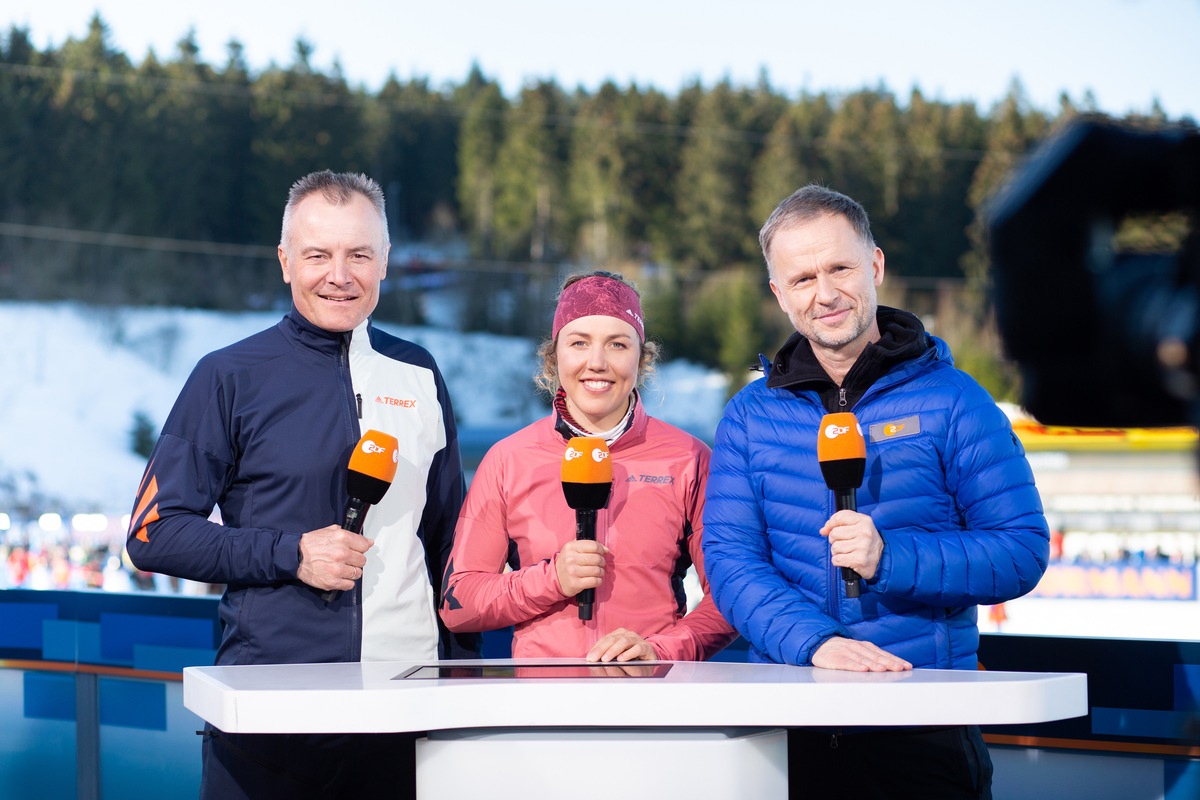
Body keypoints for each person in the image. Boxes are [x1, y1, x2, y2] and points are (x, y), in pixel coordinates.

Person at [126, 170, 477, 800]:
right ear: (286, 262)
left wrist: (463, 679)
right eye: (318, 254)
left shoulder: (420, 372)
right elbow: (153, 534)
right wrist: (290, 554)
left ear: (385, 262)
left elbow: (453, 544)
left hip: (406, 711)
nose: (339, 274)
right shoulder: (229, 376)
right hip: (271, 718)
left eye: (359, 255)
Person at [701, 185, 1050, 799]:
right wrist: (816, 644)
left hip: (922, 732)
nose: (826, 293)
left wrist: (892, 558)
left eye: (840, 267)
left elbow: (1020, 550)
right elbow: (731, 563)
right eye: (803, 277)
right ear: (780, 295)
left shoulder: (955, 400)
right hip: (787, 730)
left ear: (877, 266)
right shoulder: (750, 417)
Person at [439, 270, 737, 663]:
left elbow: (731, 600)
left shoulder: (689, 459)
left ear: (641, 357)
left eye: (617, 344)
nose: (596, 362)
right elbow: (459, 604)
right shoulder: (508, 459)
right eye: (579, 343)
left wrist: (661, 651)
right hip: (543, 708)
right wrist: (551, 580)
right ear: (554, 355)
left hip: (653, 703)